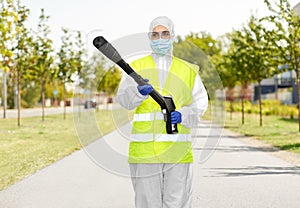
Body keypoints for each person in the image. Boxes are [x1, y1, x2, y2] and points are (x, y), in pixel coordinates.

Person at [116, 16, 208, 208]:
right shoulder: (137, 68)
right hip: (145, 152)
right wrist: (137, 92)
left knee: (178, 202)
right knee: (147, 203)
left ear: (172, 36)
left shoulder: (187, 70)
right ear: (149, 38)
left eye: (164, 34)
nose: (160, 39)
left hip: (177, 151)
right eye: (155, 35)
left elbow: (200, 103)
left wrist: (184, 114)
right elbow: (123, 99)